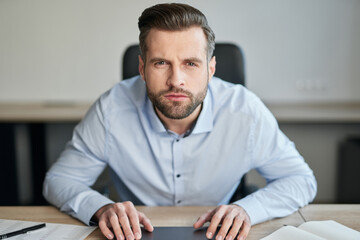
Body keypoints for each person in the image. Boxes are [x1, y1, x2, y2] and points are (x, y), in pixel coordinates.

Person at [43, 3, 317, 240]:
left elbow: (300, 180)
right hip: (136, 235)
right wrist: (101, 207)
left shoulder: (245, 111)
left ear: (210, 68)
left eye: (190, 63)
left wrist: (248, 210)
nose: (176, 80)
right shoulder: (111, 110)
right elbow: (59, 180)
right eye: (161, 63)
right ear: (142, 68)